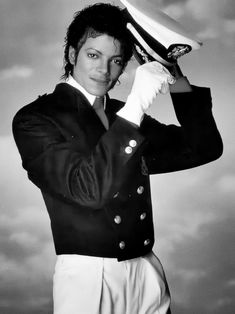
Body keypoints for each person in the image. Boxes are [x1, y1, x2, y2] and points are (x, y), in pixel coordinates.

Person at [12, 3, 223, 314]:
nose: (104, 70)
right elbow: (88, 190)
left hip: (146, 268)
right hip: (89, 276)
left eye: (116, 61)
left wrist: (172, 73)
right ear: (72, 55)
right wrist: (136, 105)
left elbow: (203, 147)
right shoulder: (36, 119)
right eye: (93, 55)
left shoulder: (122, 115)